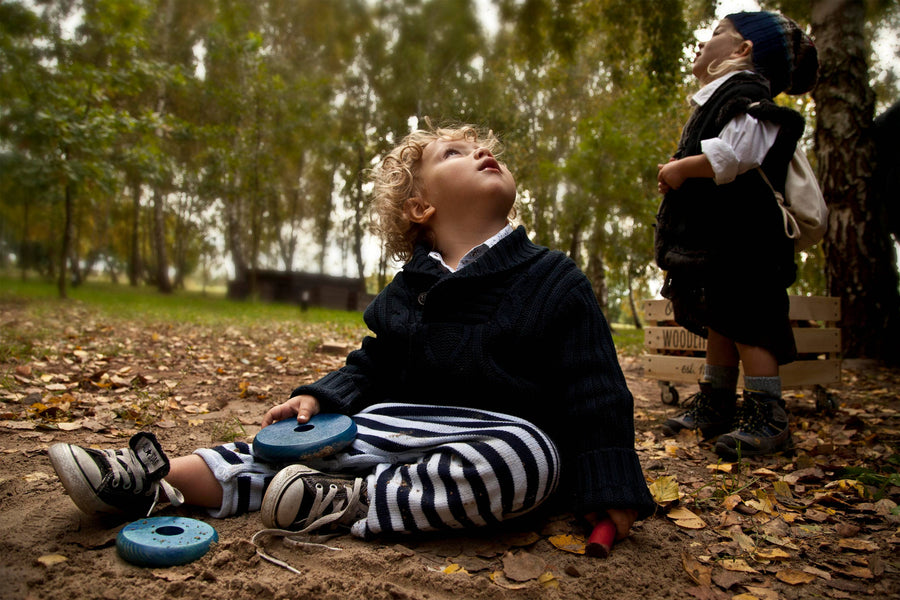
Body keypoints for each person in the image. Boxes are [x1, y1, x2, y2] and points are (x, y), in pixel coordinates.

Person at [49, 123, 656, 556]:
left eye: (486, 147)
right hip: (391, 427)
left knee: (529, 457)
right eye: (457, 150)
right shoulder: (409, 289)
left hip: (491, 444)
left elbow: (595, 389)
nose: (483, 151)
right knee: (285, 450)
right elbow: (374, 362)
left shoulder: (553, 279)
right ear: (420, 206)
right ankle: (150, 482)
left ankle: (352, 504)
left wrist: (611, 484)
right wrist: (319, 399)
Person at [654, 12, 818, 460]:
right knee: (721, 320)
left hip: (747, 242)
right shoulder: (714, 99)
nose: (703, 44)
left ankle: (767, 414)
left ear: (742, 50)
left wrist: (680, 169)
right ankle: (717, 401)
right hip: (720, 243)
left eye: (715, 35)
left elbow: (736, 155)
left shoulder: (746, 94)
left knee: (751, 323)